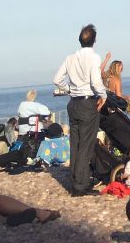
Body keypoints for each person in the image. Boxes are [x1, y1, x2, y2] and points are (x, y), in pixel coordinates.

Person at [53, 22, 107, 196]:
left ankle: (75, 180)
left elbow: (57, 79)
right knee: (86, 144)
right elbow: (95, 81)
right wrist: (103, 95)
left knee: (75, 144)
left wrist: (69, 89)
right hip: (87, 103)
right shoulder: (93, 57)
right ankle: (81, 185)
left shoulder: (70, 58)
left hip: (73, 103)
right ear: (94, 40)